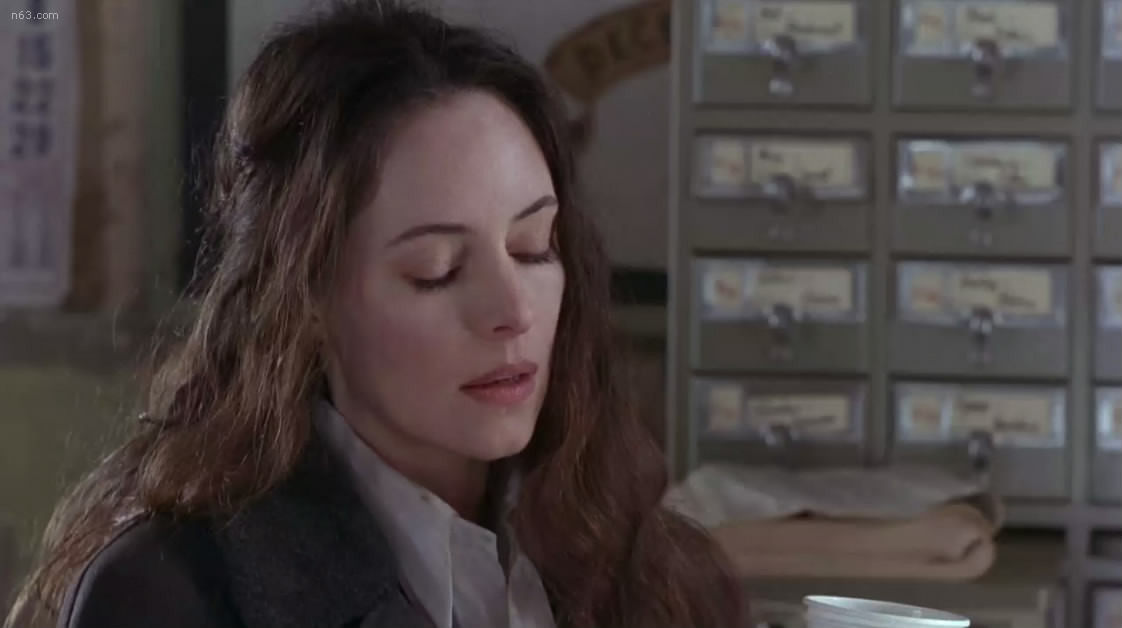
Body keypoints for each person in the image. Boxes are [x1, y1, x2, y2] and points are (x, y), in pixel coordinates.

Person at [5, 1, 741, 627]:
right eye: (436, 272)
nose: (513, 311)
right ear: (307, 304)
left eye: (532, 248)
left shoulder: (654, 565)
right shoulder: (170, 595)